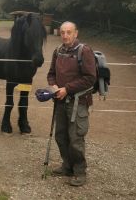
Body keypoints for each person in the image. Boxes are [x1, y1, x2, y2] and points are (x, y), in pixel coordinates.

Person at [47, 21, 96, 186]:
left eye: (69, 32)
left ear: (76, 33)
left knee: (75, 139)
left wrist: (67, 89)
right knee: (61, 136)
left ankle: (80, 172)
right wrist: (53, 86)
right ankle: (67, 166)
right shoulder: (58, 51)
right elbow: (51, 73)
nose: (65, 36)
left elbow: (90, 78)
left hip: (78, 102)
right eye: (62, 32)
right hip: (60, 101)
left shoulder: (84, 51)